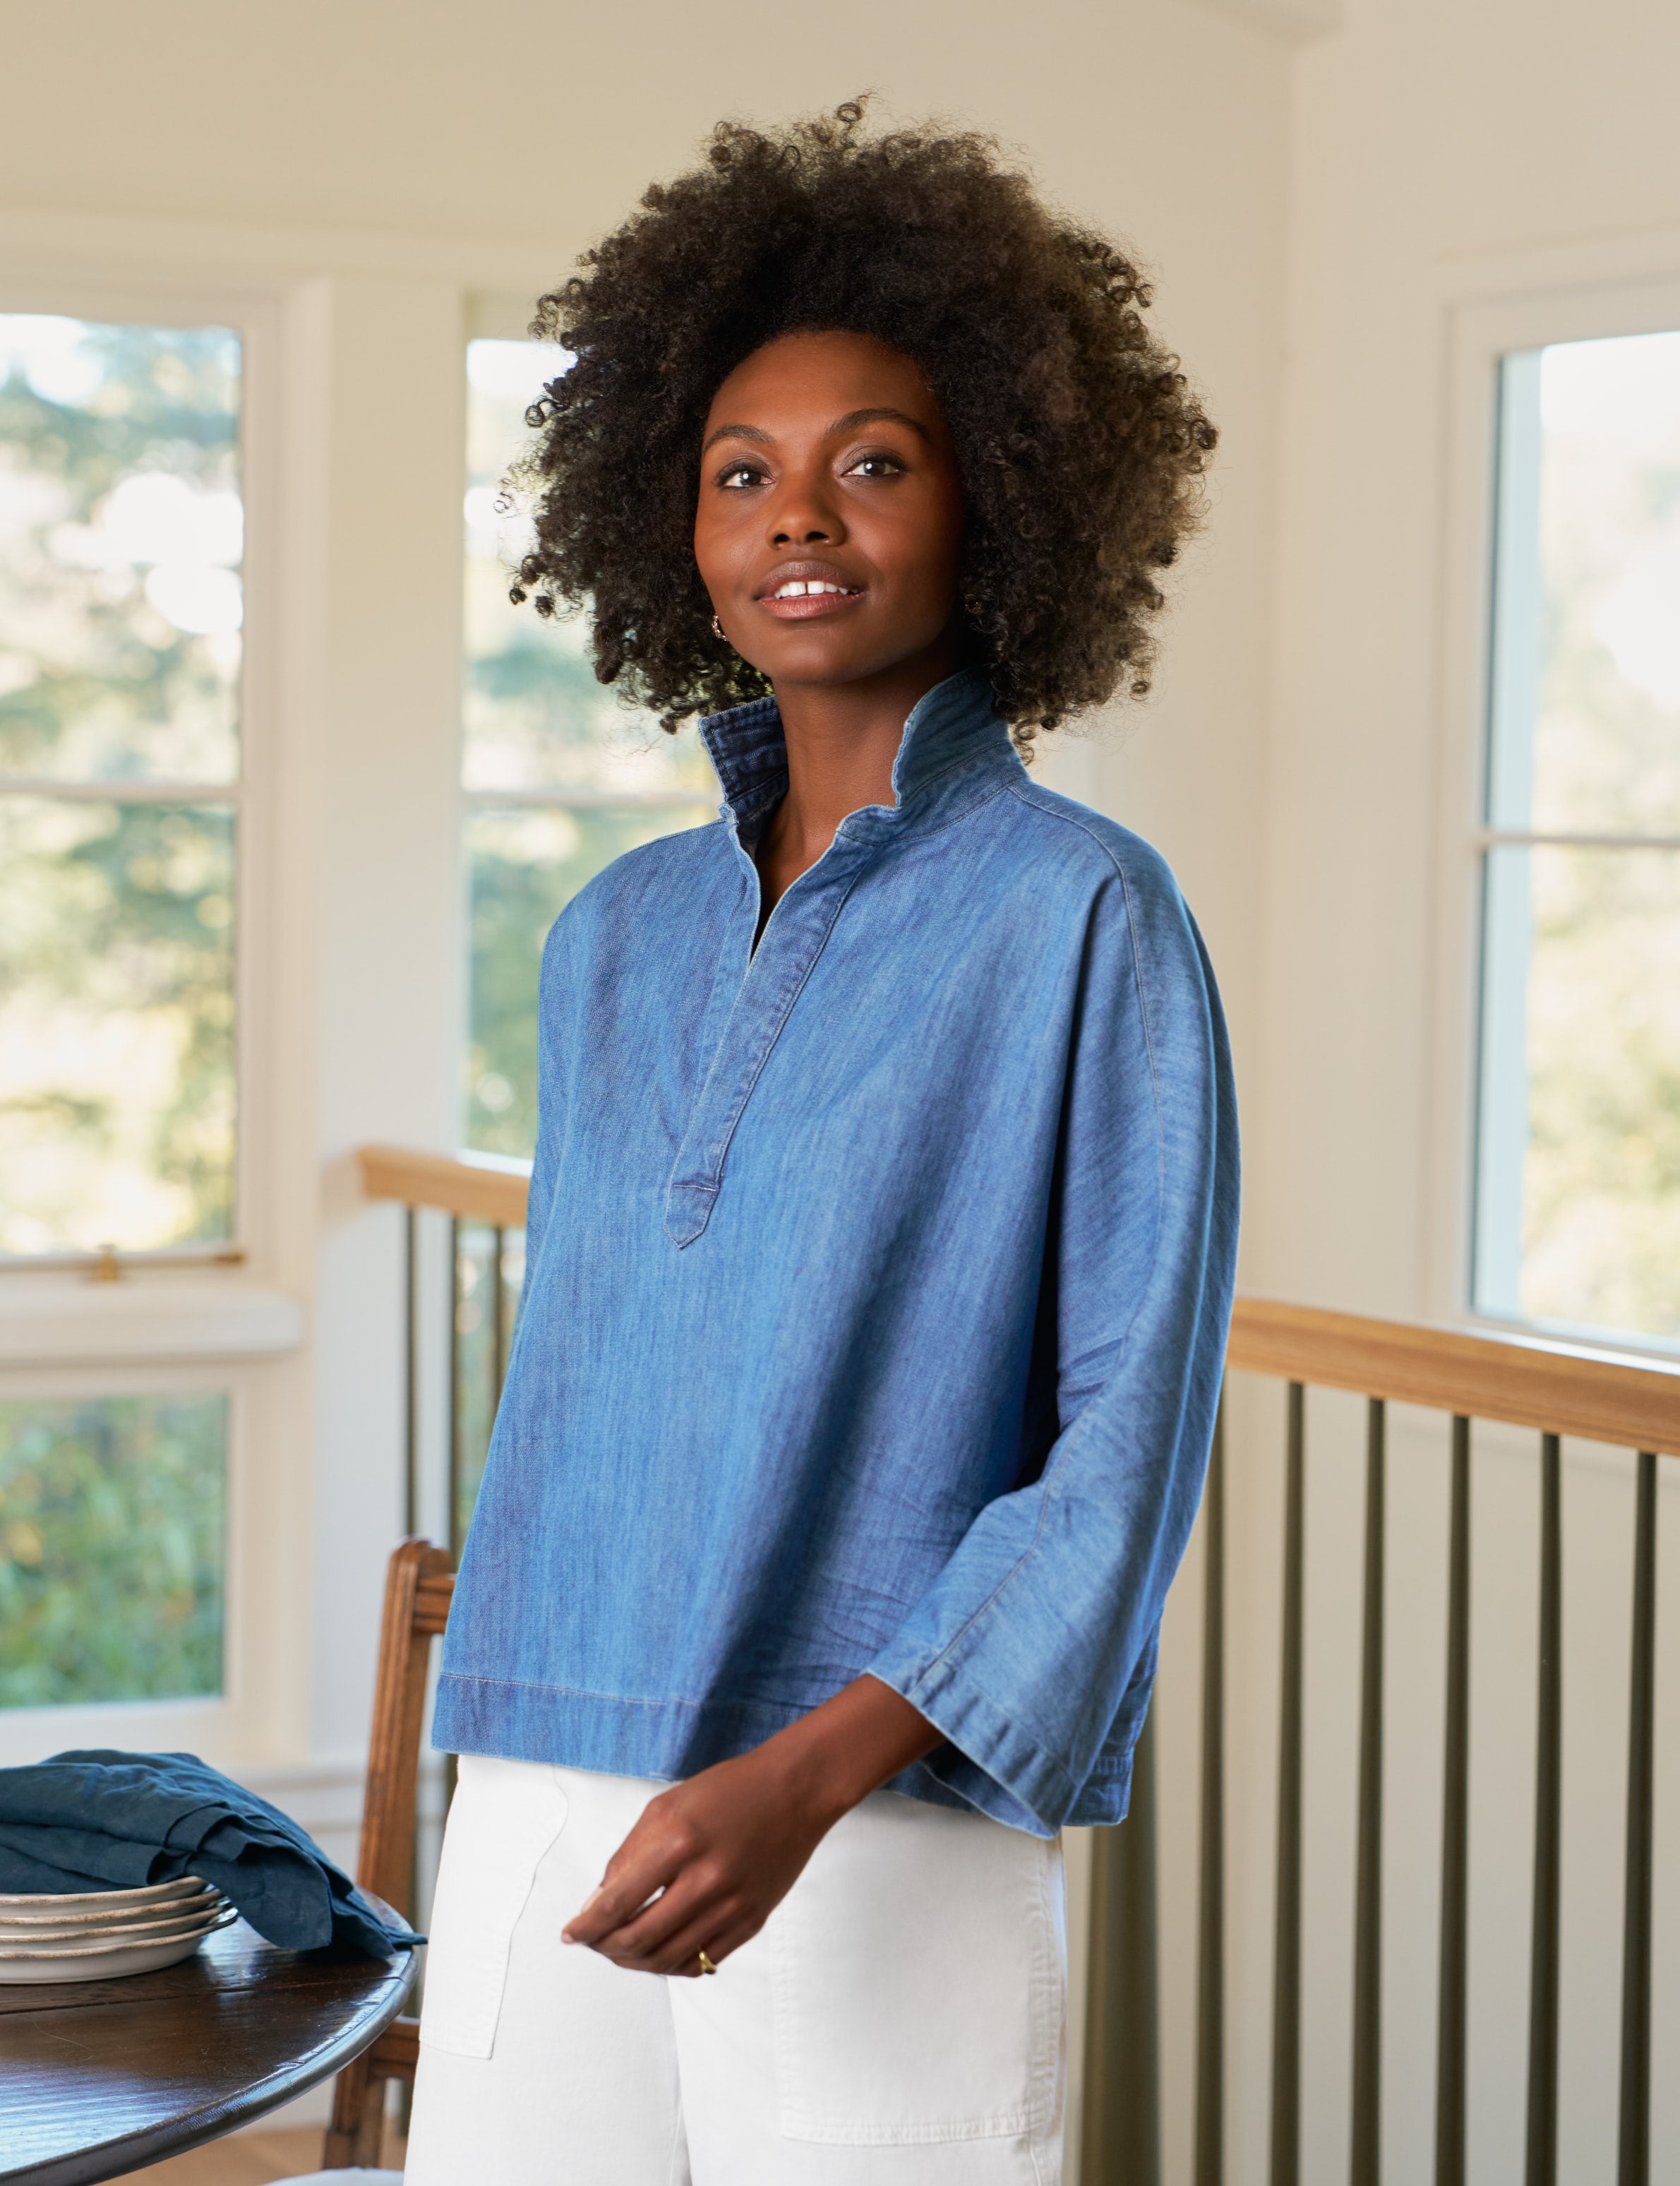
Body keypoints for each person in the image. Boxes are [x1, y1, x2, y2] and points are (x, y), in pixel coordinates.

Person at [405, 102, 1238, 2186]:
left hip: (869, 1813)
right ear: (663, 528)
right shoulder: (612, 939)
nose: (804, 517)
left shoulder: (1081, 912)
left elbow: (1121, 1440)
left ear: (998, 501)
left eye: (873, 460)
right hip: (541, 1776)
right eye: (740, 472)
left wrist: (807, 1772)